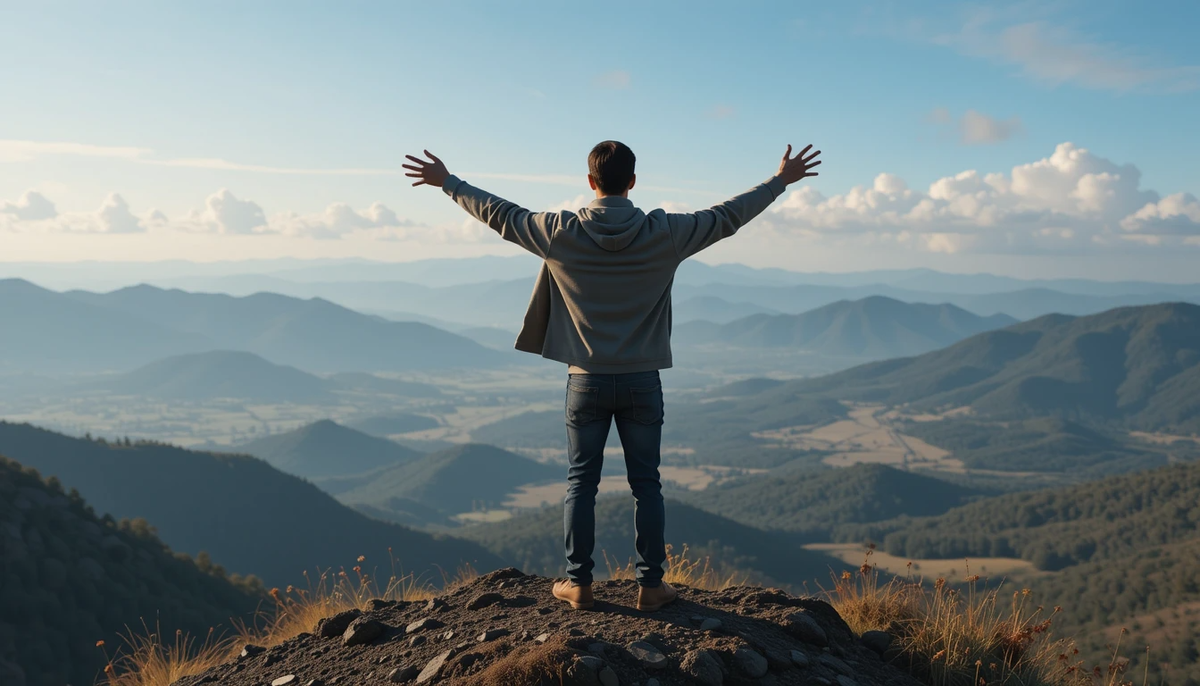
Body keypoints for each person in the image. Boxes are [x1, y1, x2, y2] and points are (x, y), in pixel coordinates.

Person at [403, 141, 821, 611]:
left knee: (581, 483)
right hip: (643, 380)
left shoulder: (559, 233)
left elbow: (501, 214)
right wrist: (780, 181)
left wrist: (448, 183)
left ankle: (578, 583)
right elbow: (727, 215)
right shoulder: (666, 233)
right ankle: (651, 586)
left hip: (586, 381)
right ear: (633, 182)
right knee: (648, 484)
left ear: (590, 182)